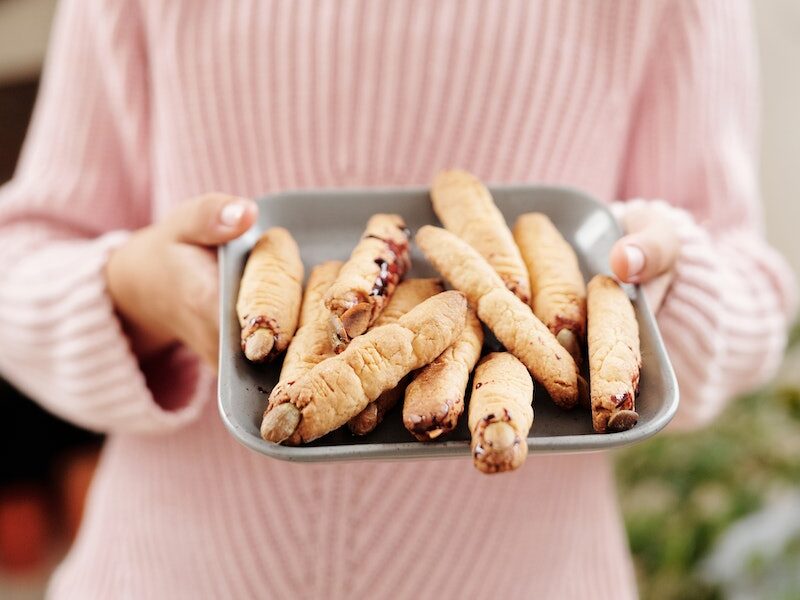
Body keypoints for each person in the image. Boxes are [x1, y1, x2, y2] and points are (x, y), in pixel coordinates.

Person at [0, 1, 795, 598]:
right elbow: (21, 261)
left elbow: (758, 298)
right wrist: (129, 291)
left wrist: (647, 299)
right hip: (165, 573)